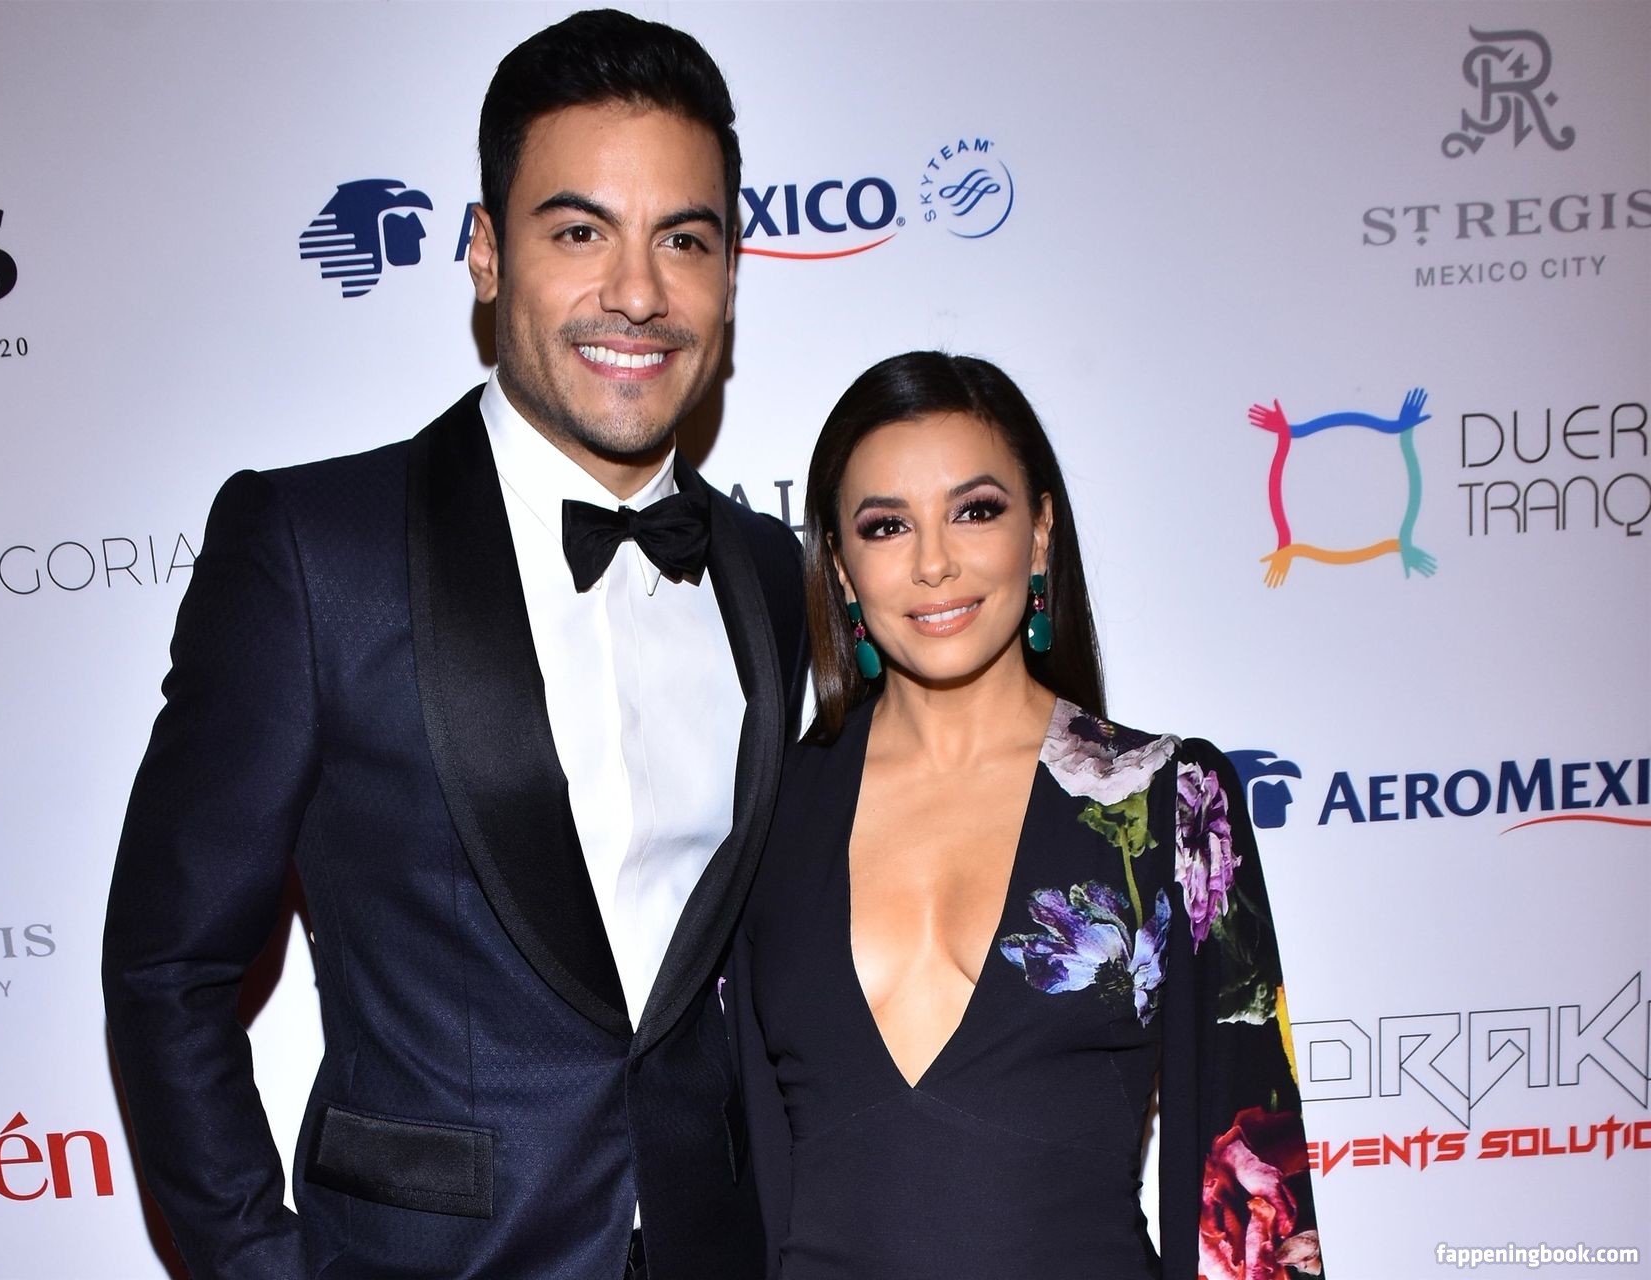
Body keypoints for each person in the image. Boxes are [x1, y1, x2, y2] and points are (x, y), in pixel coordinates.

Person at [100, 12, 807, 1279]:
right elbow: (168, 966)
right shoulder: (317, 551)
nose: (637, 292)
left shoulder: (763, 570)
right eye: (579, 232)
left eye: (683, 240)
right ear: (486, 253)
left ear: (730, 274)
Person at [729, 352, 1323, 1279]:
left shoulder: (1170, 802)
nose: (934, 563)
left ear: (1040, 534)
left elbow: (1250, 1193)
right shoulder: (769, 808)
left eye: (975, 511)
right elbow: (741, 1166)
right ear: (840, 568)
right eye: (887, 526)